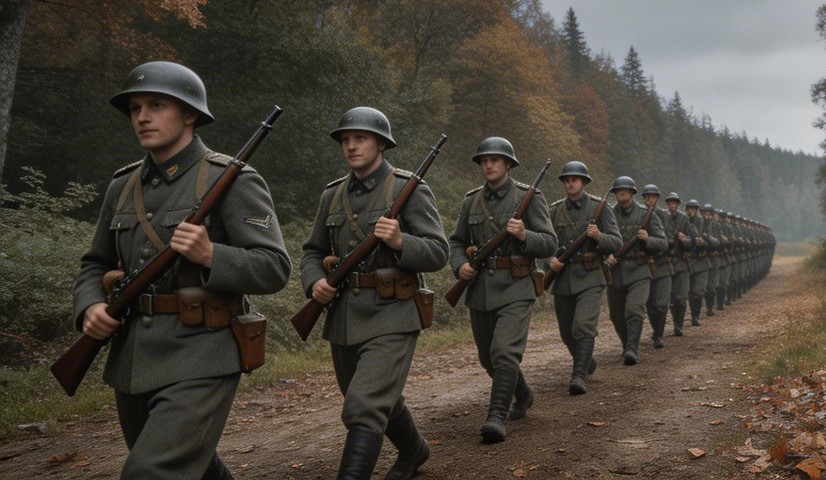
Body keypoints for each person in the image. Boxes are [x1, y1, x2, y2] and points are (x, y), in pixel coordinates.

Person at [73, 61, 291, 480]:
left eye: (156, 105)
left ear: (190, 113)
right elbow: (95, 263)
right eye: (135, 108)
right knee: (194, 468)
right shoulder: (123, 185)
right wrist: (90, 306)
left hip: (202, 353)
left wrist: (211, 255)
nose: (142, 117)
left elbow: (274, 268)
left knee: (150, 472)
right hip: (133, 358)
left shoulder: (232, 179)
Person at [301, 107, 448, 479]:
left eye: (360, 138)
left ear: (381, 144)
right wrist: (314, 281)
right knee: (373, 396)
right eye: (345, 140)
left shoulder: (408, 188)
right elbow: (312, 251)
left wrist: (401, 242)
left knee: (364, 406)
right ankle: (414, 450)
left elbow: (438, 252)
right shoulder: (332, 195)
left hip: (393, 310)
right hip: (345, 316)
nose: (351, 146)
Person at [448, 137, 557, 443]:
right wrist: (459, 266)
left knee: (504, 352)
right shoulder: (471, 201)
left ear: (508, 164)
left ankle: (496, 416)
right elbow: (456, 242)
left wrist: (524, 235)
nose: (488, 165)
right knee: (488, 358)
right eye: (484, 160)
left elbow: (550, 243)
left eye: (494, 160)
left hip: (516, 286)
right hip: (481, 289)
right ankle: (523, 393)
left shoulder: (529, 197)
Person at [545, 161, 621, 395]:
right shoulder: (554, 210)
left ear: (584, 182)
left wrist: (599, 237)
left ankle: (578, 375)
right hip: (563, 278)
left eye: (575, 179)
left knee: (583, 326)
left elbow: (616, 242)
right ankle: (587, 361)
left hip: (591, 275)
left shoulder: (600, 208)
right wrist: (549, 260)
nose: (570, 183)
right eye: (567, 180)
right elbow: (546, 241)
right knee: (567, 333)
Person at [604, 176, 667, 364]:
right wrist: (606, 256)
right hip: (615, 271)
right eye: (618, 190)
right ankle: (626, 344)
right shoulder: (608, 214)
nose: (622, 192)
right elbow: (599, 240)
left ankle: (632, 348)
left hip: (639, 269)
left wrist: (648, 239)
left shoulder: (646, 215)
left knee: (634, 309)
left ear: (632, 192)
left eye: (625, 189)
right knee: (616, 315)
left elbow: (662, 243)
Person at [642, 184, 674, 348]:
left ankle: (659, 335)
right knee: (650, 304)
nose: (649, 199)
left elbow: (668, 238)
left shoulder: (664, 216)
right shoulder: (640, 213)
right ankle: (656, 330)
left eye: (652, 196)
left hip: (662, 264)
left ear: (657, 198)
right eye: (647, 196)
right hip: (645, 264)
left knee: (661, 304)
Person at [664, 192, 692, 337]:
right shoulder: (663, 218)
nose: (671, 205)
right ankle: (675, 322)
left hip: (681, 262)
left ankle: (679, 325)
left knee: (680, 298)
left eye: (674, 203)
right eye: (669, 203)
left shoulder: (685, 220)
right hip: (667, 263)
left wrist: (684, 240)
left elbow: (692, 242)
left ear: (678, 204)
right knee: (670, 299)